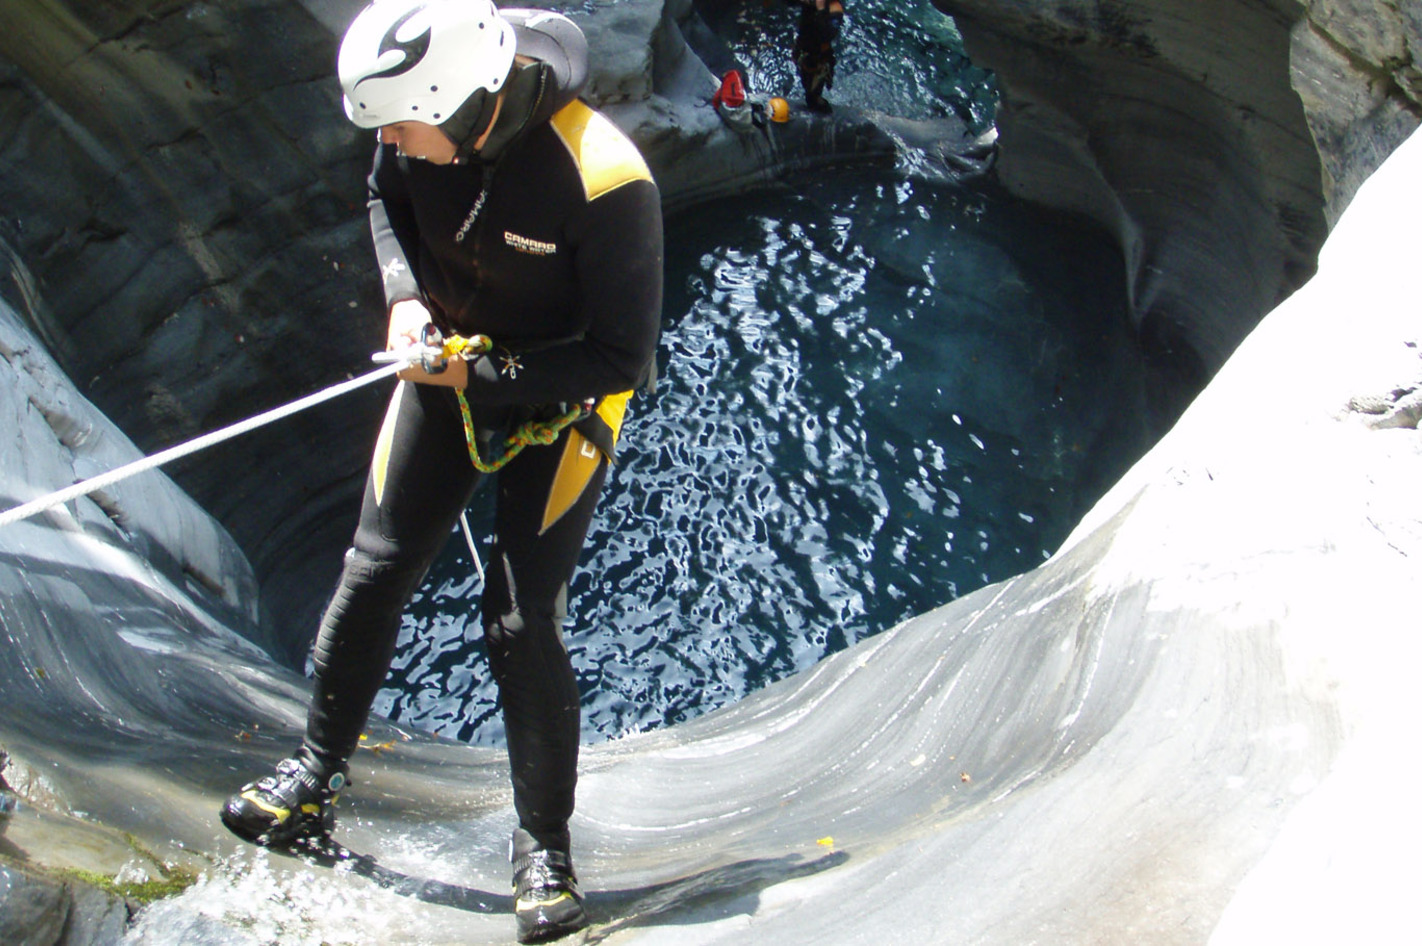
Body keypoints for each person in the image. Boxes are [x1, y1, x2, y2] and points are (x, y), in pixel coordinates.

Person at [219, 2, 663, 942]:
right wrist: (404, 302)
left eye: (401, 125)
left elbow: (622, 357)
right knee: (374, 571)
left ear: (461, 103)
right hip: (447, 364)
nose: (388, 142)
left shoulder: (603, 176)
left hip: (564, 396)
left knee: (516, 618)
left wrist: (486, 373)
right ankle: (313, 776)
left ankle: (544, 848)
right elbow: (383, 195)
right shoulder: (417, 128)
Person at [785, 0, 845, 112]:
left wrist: (821, 9)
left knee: (813, 98)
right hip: (804, 51)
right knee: (805, 84)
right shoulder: (811, 4)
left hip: (818, 59)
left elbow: (827, 35)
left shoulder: (835, 9)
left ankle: (819, 106)